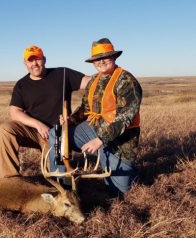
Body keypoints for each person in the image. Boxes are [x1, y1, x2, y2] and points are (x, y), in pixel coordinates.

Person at [49, 38, 142, 194]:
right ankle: (60, 182)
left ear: (114, 57)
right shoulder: (94, 80)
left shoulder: (127, 81)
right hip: (93, 129)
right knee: (57, 133)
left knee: (116, 191)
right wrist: (69, 121)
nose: (100, 62)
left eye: (105, 57)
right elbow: (85, 108)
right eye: (97, 59)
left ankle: (131, 172)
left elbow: (124, 118)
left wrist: (99, 140)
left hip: (120, 140)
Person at [0, 45, 91, 178]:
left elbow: (91, 82)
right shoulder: (21, 85)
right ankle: (10, 179)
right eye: (30, 60)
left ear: (45, 60)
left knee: (55, 177)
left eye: (38, 59)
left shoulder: (62, 74)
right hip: (33, 131)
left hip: (56, 134)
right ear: (25, 63)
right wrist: (38, 125)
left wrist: (107, 78)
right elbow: (15, 112)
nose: (34, 64)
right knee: (5, 129)